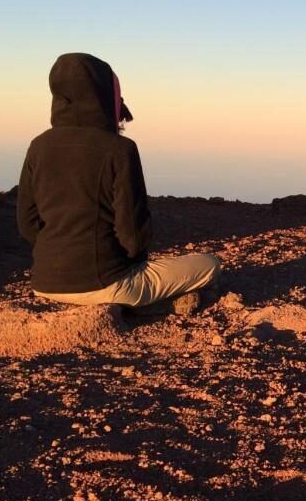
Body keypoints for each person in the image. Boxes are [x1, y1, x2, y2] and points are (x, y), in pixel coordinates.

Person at [17, 52, 220, 309]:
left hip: (44, 283)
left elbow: (27, 225)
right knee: (209, 264)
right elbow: (133, 236)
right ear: (103, 94)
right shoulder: (119, 149)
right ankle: (145, 307)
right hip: (107, 284)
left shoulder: (38, 146)